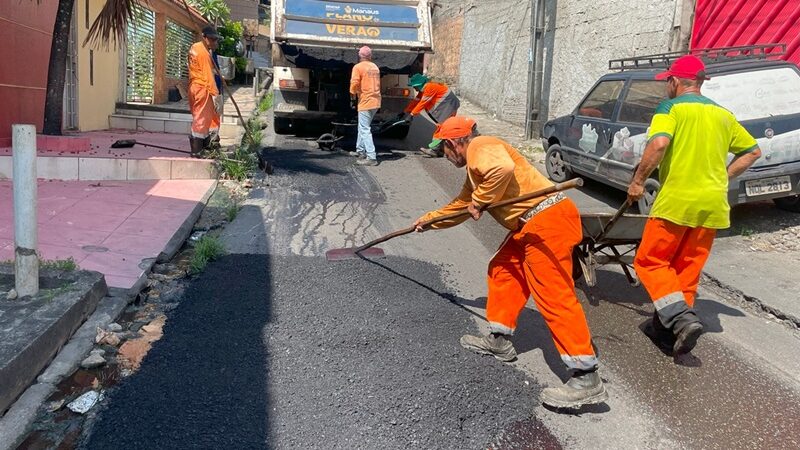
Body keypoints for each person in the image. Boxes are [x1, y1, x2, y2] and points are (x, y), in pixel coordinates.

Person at [414, 116, 607, 408]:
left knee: (553, 295)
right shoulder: (475, 171)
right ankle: (499, 339)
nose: (444, 155)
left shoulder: (481, 145)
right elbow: (460, 207)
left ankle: (586, 376)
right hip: (528, 225)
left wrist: (480, 202)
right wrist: (430, 221)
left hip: (547, 221)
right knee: (503, 269)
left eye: (443, 150)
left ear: (454, 143)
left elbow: (500, 170)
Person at [627, 55, 762, 355]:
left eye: (668, 82)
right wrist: (723, 177)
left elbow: (659, 144)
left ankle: (679, 317)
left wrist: (638, 181)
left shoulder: (671, 108)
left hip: (678, 202)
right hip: (712, 205)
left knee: (649, 261)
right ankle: (670, 332)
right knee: (685, 270)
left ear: (675, 81)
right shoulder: (724, 115)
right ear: (700, 82)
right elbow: (753, 151)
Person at [404, 73, 460, 158]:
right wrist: (406, 111)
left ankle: (434, 150)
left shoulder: (430, 87)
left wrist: (412, 114)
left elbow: (423, 103)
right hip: (448, 104)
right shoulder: (423, 90)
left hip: (449, 105)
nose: (414, 88)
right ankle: (441, 149)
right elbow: (416, 101)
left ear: (419, 84)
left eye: (414, 86)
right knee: (443, 127)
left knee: (442, 127)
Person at [187, 26, 222, 157]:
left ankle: (208, 145)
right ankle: (197, 150)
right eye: (212, 39)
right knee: (201, 119)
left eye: (216, 40)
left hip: (195, 86)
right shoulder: (203, 53)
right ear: (204, 37)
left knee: (206, 117)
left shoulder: (196, 48)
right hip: (203, 88)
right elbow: (208, 76)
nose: (214, 42)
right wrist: (215, 95)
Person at [349, 46, 382, 166]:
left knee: (364, 129)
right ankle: (360, 150)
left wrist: (352, 95)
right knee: (363, 126)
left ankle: (371, 157)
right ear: (370, 56)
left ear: (360, 56)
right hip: (376, 100)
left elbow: (354, 83)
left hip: (366, 101)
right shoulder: (375, 67)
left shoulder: (358, 67)